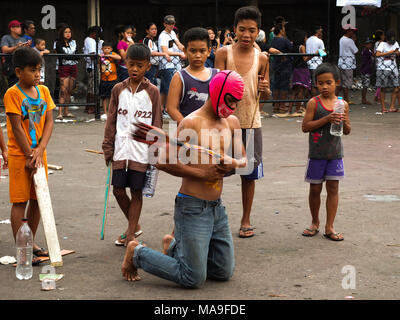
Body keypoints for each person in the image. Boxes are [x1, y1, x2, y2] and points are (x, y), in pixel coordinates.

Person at [121, 70, 247, 286]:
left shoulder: (232, 122)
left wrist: (232, 162)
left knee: (223, 271)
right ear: (217, 92)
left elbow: (244, 160)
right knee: (193, 278)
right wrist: (202, 173)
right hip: (192, 207)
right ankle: (137, 252)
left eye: (237, 103)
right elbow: (161, 161)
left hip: (217, 208)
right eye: (229, 101)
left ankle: (173, 246)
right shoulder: (192, 123)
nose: (233, 107)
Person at [215, 6, 270, 238]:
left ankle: (246, 220)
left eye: (252, 30)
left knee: (248, 174)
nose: (247, 34)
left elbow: (265, 96)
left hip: (252, 122)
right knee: (218, 170)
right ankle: (213, 216)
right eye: (242, 29)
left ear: (258, 32)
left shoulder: (263, 57)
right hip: (225, 124)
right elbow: (214, 90)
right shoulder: (223, 54)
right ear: (234, 29)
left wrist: (266, 89)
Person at [102, 44, 162, 247]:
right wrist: (107, 146)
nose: (135, 69)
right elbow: (111, 120)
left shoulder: (153, 92)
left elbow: (157, 124)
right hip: (120, 149)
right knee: (118, 190)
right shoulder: (118, 89)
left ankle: (130, 234)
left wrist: (155, 152)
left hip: (141, 152)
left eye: (140, 65)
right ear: (125, 63)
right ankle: (133, 227)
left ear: (148, 67)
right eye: (131, 64)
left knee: (136, 191)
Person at [4, 46, 55, 264]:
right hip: (19, 156)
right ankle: (21, 246)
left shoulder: (43, 92)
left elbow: (50, 121)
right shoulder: (13, 94)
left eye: (39, 70)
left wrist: (40, 150)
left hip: (38, 155)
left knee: (37, 200)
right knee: (20, 200)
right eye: (32, 70)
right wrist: (28, 154)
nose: (37, 74)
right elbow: (16, 127)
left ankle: (30, 240)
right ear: (18, 72)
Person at [301, 63, 351, 241]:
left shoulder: (342, 104)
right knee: (315, 189)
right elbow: (305, 127)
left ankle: (330, 226)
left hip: (335, 153)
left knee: (333, 188)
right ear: (316, 84)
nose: (324, 87)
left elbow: (347, 131)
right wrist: (327, 118)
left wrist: (344, 122)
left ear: (336, 82)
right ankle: (315, 222)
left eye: (328, 83)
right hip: (317, 154)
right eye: (320, 83)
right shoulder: (314, 103)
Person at [167, 27, 218, 124]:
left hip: (211, 133)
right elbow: (171, 108)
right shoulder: (179, 77)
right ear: (185, 51)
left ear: (208, 51)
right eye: (193, 51)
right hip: (187, 135)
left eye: (202, 51)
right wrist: (187, 126)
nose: (198, 55)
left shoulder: (217, 75)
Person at [158, 15, 186, 118]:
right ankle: (166, 109)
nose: (170, 25)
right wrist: (179, 54)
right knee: (169, 88)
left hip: (175, 64)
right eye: (168, 23)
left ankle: (162, 109)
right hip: (167, 64)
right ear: (164, 24)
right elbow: (165, 51)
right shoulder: (162, 36)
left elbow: (179, 45)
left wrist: (186, 50)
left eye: (172, 23)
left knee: (165, 88)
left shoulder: (173, 33)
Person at [55, 25, 79, 120]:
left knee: (69, 90)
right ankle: (60, 113)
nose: (68, 34)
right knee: (63, 90)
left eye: (69, 32)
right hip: (64, 67)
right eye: (66, 32)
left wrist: (69, 56)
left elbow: (77, 55)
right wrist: (71, 56)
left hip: (73, 67)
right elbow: (61, 56)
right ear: (62, 33)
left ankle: (66, 112)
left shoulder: (74, 42)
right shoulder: (58, 43)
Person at [270, 22, 293, 116]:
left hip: (276, 64)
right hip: (285, 65)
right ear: (281, 30)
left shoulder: (274, 40)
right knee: (284, 86)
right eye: (283, 29)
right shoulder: (284, 40)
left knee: (276, 85)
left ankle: (276, 105)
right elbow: (291, 47)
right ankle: (282, 106)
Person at [375, 30, 400, 113]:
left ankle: (392, 107)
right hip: (383, 68)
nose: (391, 42)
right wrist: (391, 52)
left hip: (393, 67)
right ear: (386, 38)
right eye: (390, 41)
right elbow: (377, 54)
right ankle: (383, 108)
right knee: (383, 88)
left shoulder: (395, 43)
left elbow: (398, 53)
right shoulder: (382, 44)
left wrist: (397, 52)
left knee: (396, 87)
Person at [1, 20, 31, 87]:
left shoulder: (23, 39)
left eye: (20, 27)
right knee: (12, 87)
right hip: (10, 66)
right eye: (17, 27)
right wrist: (17, 46)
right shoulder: (6, 38)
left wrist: (27, 46)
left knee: (22, 86)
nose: (20, 28)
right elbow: (4, 50)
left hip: (21, 65)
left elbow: (25, 52)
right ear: (12, 28)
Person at [288, 29, 311, 116]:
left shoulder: (293, 46)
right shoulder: (302, 47)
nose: (306, 38)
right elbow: (304, 58)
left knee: (294, 91)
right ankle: (297, 110)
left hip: (295, 69)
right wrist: (314, 55)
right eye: (305, 36)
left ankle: (289, 110)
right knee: (301, 90)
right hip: (302, 69)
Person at [83, 26, 104, 114]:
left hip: (94, 66)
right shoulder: (90, 40)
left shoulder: (95, 41)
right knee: (93, 87)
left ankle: (91, 107)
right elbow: (93, 55)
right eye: (98, 34)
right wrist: (100, 62)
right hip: (92, 67)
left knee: (94, 87)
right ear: (94, 33)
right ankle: (91, 107)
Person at [337, 24, 358, 104]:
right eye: (352, 31)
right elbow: (356, 51)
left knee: (341, 82)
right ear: (348, 31)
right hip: (348, 64)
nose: (353, 33)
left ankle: (335, 98)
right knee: (346, 84)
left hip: (342, 63)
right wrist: (354, 40)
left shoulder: (341, 39)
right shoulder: (350, 41)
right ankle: (346, 100)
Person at [99, 42, 121, 117]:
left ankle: (112, 111)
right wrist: (102, 56)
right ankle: (105, 112)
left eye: (108, 48)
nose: (107, 50)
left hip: (113, 79)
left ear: (111, 49)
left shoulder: (113, 54)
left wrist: (108, 55)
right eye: (105, 48)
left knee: (113, 96)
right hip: (104, 79)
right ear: (102, 49)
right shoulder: (101, 56)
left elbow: (119, 57)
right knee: (104, 96)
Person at [306, 25, 325, 97]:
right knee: (315, 85)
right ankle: (316, 101)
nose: (321, 30)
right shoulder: (320, 41)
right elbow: (323, 53)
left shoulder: (308, 40)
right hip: (317, 65)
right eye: (320, 28)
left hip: (309, 63)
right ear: (317, 30)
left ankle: (308, 101)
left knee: (310, 84)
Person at [360, 38, 374, 105]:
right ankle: (364, 99)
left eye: (370, 44)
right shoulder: (366, 51)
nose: (370, 45)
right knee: (365, 86)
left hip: (366, 69)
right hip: (366, 70)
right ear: (365, 45)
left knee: (365, 86)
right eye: (368, 44)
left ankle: (364, 99)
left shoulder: (368, 50)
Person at [373, 29, 385, 102]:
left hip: (378, 63)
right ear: (380, 36)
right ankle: (378, 97)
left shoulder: (376, 43)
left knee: (380, 81)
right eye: (383, 35)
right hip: (382, 64)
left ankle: (377, 97)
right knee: (381, 81)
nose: (384, 36)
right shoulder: (381, 43)